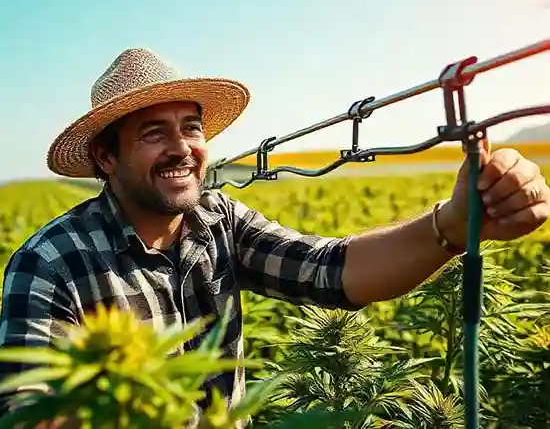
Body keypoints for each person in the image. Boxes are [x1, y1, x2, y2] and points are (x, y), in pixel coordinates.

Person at [0, 47, 548, 428]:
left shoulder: (220, 222)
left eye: (190, 128)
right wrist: (110, 382)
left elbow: (331, 270)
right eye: (152, 133)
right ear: (105, 157)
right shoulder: (50, 263)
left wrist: (452, 224)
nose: (181, 147)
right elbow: (26, 409)